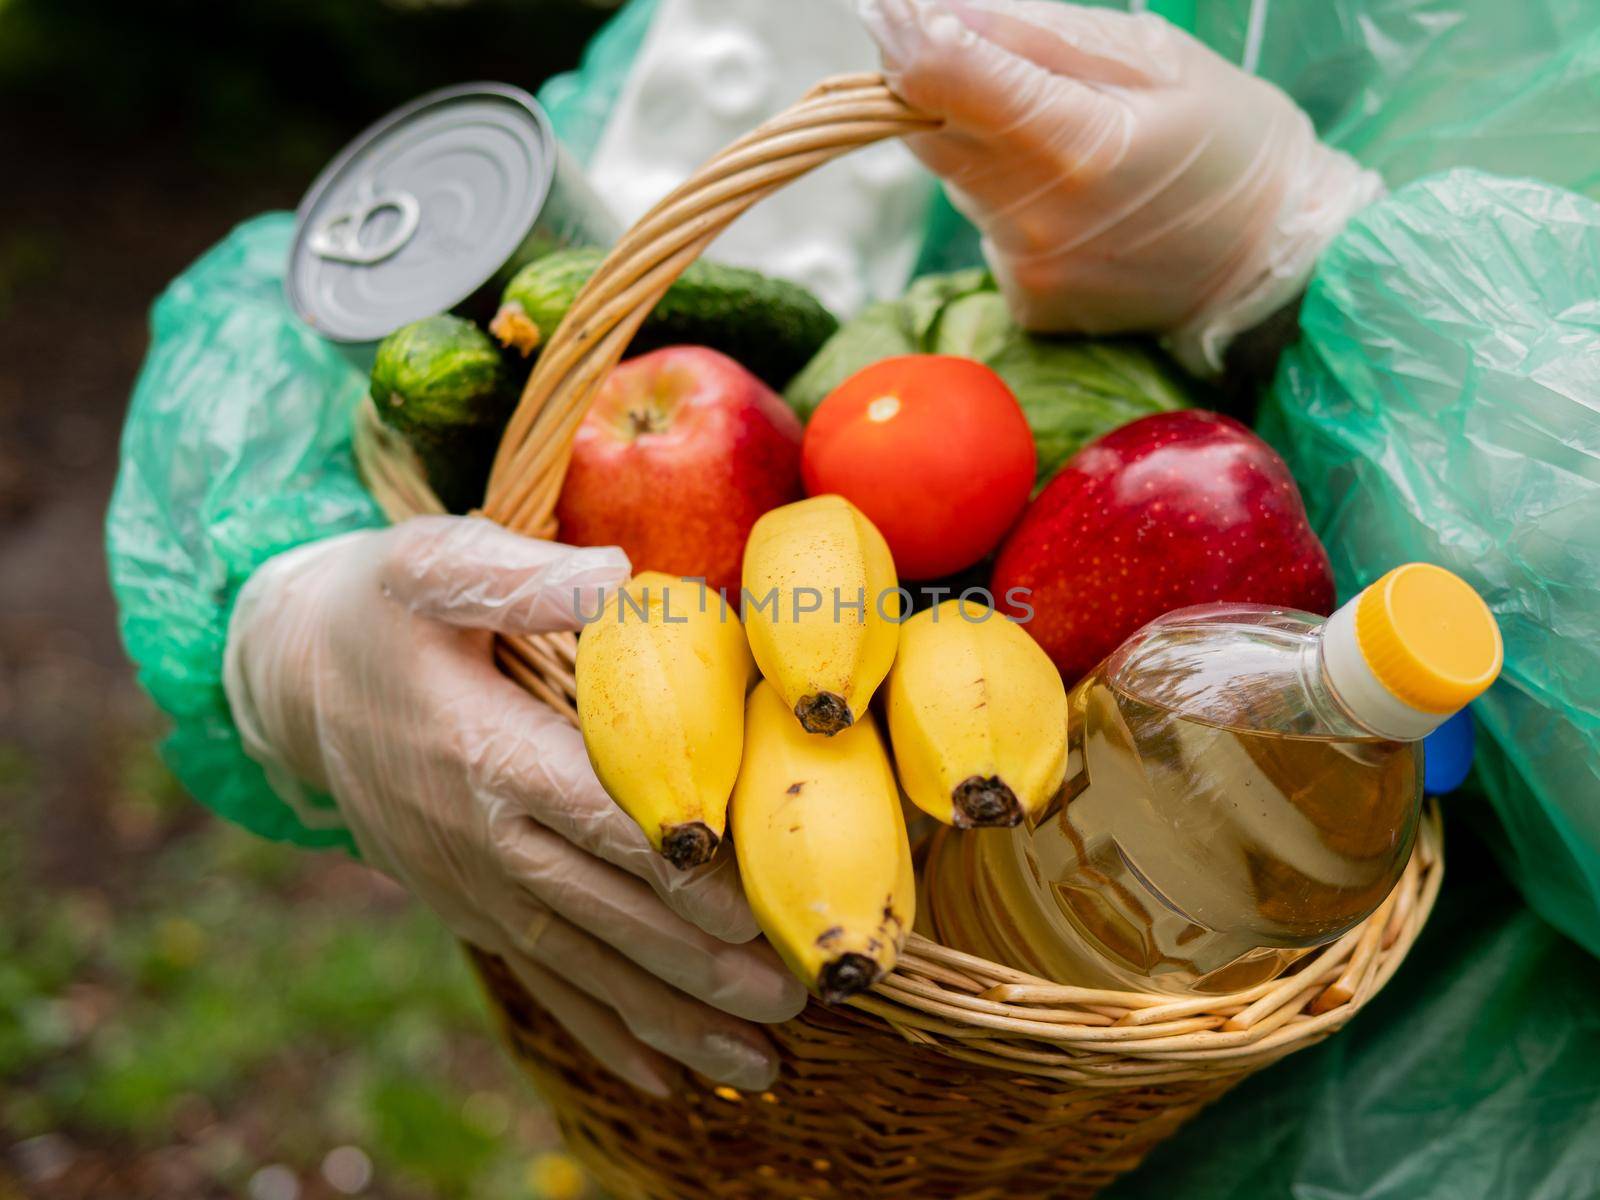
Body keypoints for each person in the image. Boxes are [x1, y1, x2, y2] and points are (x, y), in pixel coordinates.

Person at [111, 2, 1600, 1160]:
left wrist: (1303, 248)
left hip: (1439, 1122)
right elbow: (518, 248)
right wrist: (281, 609)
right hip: (812, 1111)